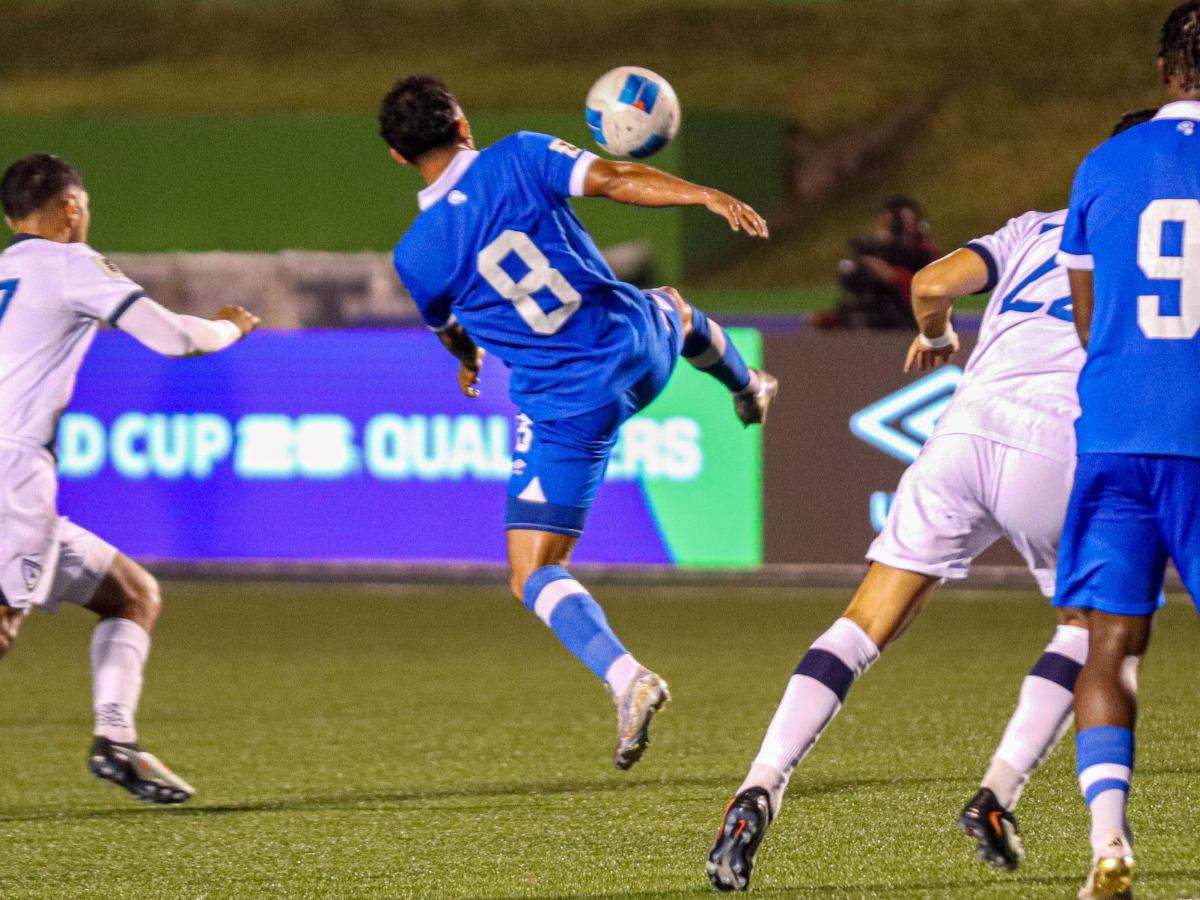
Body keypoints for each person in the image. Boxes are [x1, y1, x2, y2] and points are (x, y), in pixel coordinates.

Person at [705, 108, 1158, 893]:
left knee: (861, 623)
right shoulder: (1165, 236)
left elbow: (931, 283)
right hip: (1061, 444)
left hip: (963, 432)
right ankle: (997, 793)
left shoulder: (1035, 227)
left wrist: (942, 336)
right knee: (1090, 635)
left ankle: (760, 783)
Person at [379, 75, 777, 770]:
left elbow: (447, 326)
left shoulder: (415, 256)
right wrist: (702, 193)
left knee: (532, 570)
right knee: (673, 307)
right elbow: (619, 180)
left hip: (570, 406)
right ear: (464, 122)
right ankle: (747, 385)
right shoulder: (523, 154)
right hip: (640, 351)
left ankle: (630, 680)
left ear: (397, 155)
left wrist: (468, 358)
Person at [0, 154, 260, 803]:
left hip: (17, 479)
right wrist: (231, 326)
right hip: (11, 475)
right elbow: (174, 338)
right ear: (70, 210)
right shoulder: (69, 264)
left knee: (131, 593)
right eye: (83, 207)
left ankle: (116, 741)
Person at [1056, 4, 1200, 897]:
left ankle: (1109, 841)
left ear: (1162, 71)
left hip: (1112, 431)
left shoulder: (1102, 163)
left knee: (1109, 641)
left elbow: (1086, 314)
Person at [817, 196, 941, 330]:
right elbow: (857, 287)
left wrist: (894, 275)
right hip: (884, 316)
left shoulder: (925, 252)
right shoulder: (877, 252)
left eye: (901, 224)